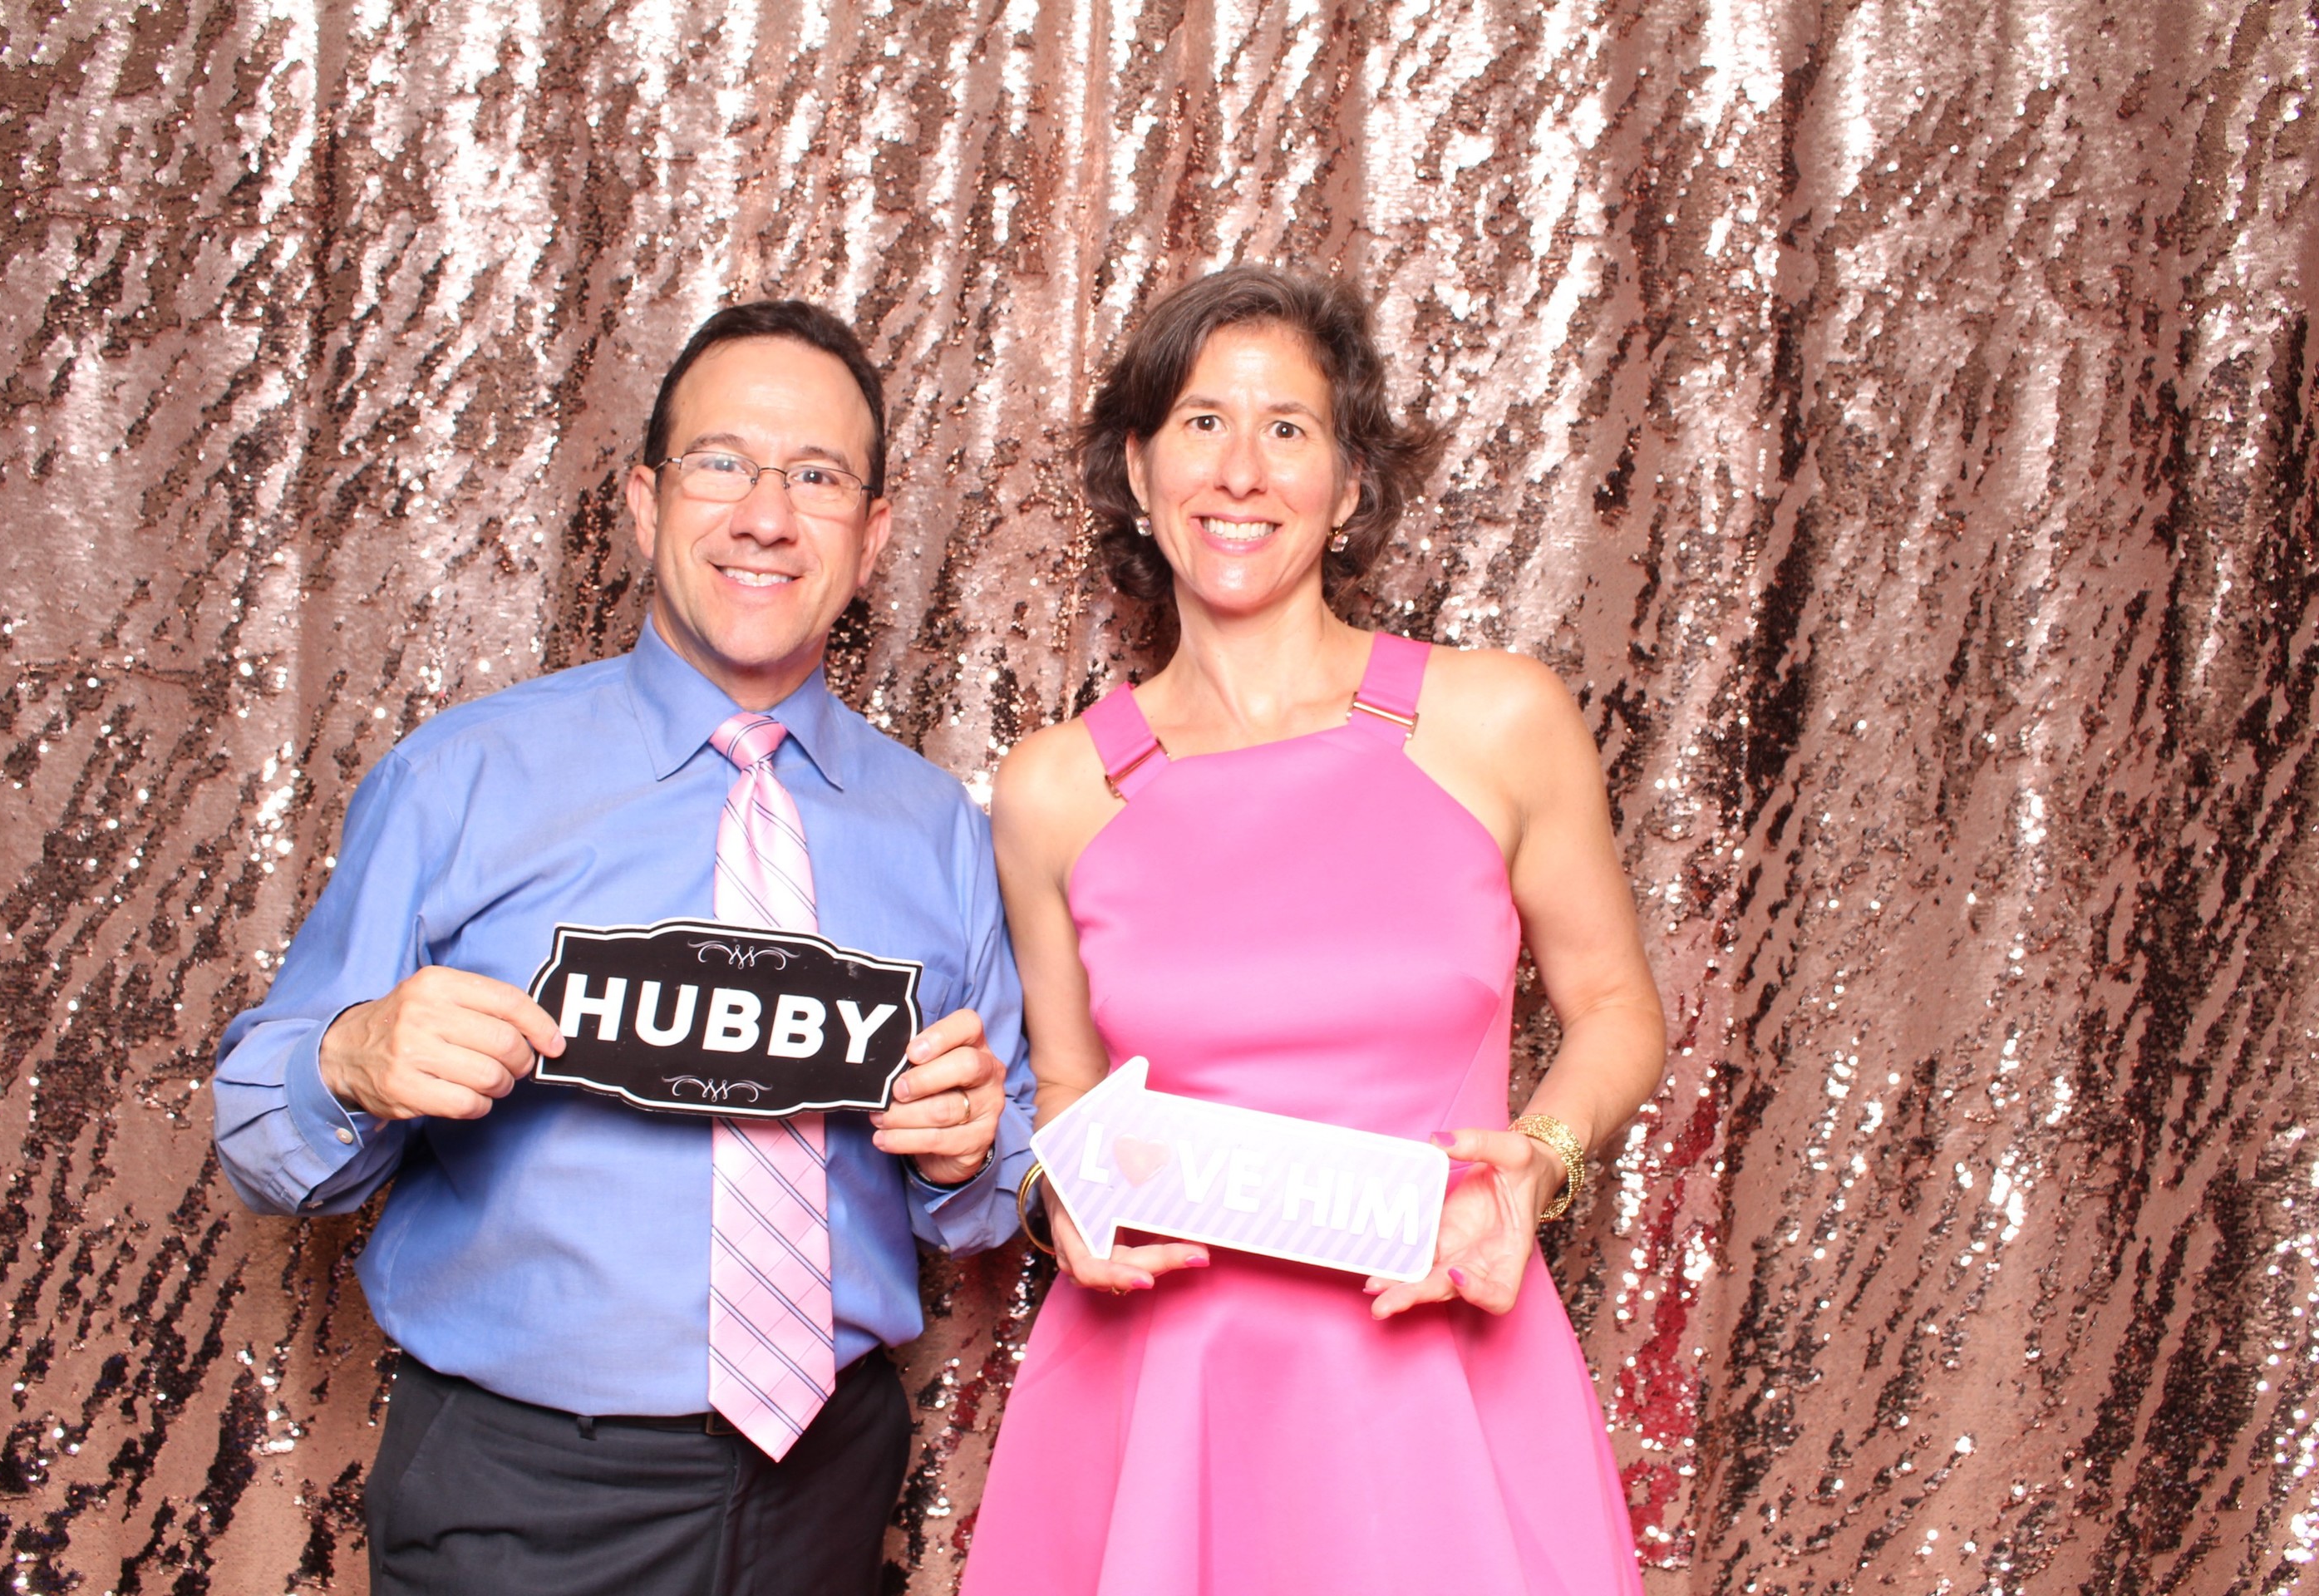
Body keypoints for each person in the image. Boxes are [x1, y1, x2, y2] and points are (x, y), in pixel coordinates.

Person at [212, 300, 1036, 1596]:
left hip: (827, 1475)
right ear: (647, 505)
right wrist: (350, 1058)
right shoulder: (462, 777)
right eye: (723, 462)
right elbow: (257, 1136)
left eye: (817, 477)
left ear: (872, 536)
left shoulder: (937, 829)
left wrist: (969, 1151)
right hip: (525, 1487)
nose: (766, 515)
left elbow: (997, 1181)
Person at [963, 268, 1665, 1594]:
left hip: (1434, 1374)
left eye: (1287, 428)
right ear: (1139, 468)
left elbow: (1620, 1011)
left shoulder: (1497, 722)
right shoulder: (1056, 786)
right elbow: (1064, 1088)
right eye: (1201, 422)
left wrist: (1543, 1158)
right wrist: (1062, 1203)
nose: (1241, 469)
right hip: (1160, 1388)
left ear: (1348, 488)